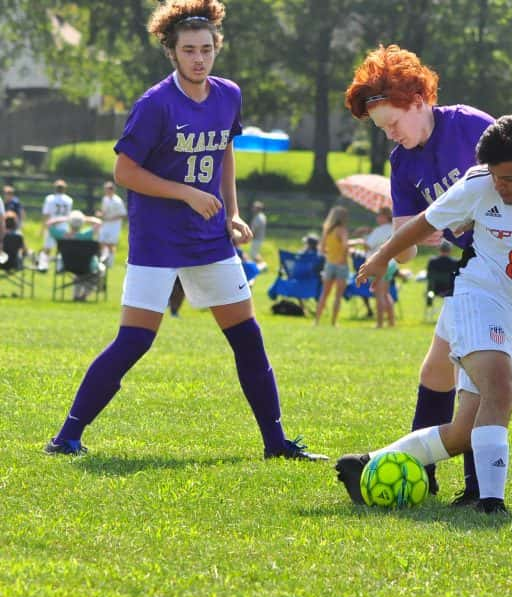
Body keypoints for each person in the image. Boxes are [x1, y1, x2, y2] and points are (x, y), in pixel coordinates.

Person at [43, 0, 324, 462]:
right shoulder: (155, 104)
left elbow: (225, 154)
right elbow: (124, 172)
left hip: (210, 239)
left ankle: (276, 444)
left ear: (217, 49)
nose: (199, 58)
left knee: (248, 338)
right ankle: (67, 436)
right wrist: (186, 193)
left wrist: (232, 213)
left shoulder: (228, 94)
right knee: (135, 340)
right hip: (157, 240)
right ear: (171, 53)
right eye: (189, 50)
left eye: (207, 49)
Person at [336, 111, 512, 513]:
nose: (498, 186)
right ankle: (491, 504)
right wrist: (383, 256)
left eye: (508, 179)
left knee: (463, 434)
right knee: (499, 390)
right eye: (493, 176)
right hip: (476, 296)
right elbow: (423, 222)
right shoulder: (478, 183)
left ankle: (366, 464)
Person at [344, 44, 496, 500]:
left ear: (417, 100)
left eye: (392, 123)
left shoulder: (469, 124)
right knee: (436, 371)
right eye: (381, 129)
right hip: (474, 266)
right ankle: (424, 473)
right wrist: (417, 236)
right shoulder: (401, 162)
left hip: (508, 262)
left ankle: (477, 487)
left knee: (477, 374)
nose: (389, 135)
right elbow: (404, 251)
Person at [314, 205, 350, 326]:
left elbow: (322, 248)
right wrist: (342, 256)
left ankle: (316, 321)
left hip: (329, 263)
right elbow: (345, 245)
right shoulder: (342, 230)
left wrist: (331, 254)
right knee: (338, 296)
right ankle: (334, 322)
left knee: (324, 294)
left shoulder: (327, 230)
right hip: (342, 265)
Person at [363, 207, 397, 328]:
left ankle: (379, 323)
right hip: (391, 263)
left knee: (379, 295)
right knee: (386, 293)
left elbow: (368, 246)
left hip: (379, 264)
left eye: (379, 215)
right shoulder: (394, 228)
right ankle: (391, 322)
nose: (377, 217)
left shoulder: (378, 230)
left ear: (384, 216)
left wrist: (365, 237)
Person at [40, 179, 73, 264]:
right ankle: (59, 266)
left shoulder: (50, 199)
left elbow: (46, 214)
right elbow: (68, 215)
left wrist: (43, 227)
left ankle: (44, 265)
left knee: (47, 247)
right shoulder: (69, 200)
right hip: (63, 225)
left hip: (52, 225)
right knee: (61, 247)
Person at [98, 181, 127, 263]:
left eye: (107, 189)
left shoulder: (117, 201)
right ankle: (103, 258)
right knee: (101, 241)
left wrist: (111, 218)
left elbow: (123, 214)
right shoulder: (105, 199)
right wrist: (100, 214)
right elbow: (104, 211)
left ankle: (110, 261)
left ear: (112, 190)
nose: (106, 191)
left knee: (111, 243)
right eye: (105, 189)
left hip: (115, 225)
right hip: (105, 223)